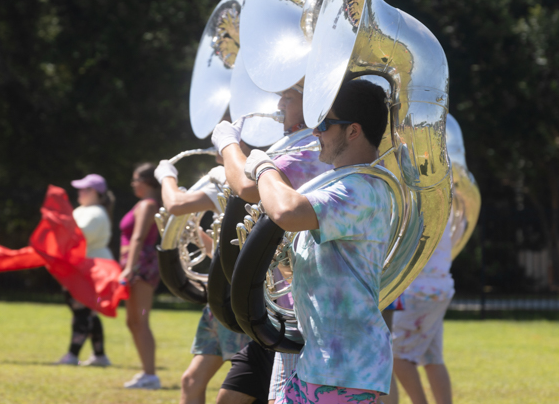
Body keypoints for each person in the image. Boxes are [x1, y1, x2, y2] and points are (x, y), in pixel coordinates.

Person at [223, 79, 392, 403]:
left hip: (346, 369)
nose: (316, 133)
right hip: (321, 359)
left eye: (325, 124)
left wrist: (263, 166)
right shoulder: (340, 183)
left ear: (353, 131)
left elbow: (285, 210)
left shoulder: (362, 188)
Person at [213, 83, 332, 404]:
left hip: (301, 311)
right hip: (282, 309)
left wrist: (228, 145)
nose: (279, 102)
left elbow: (247, 187)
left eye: (289, 96)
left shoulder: (309, 149)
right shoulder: (299, 145)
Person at [154, 159, 251, 404]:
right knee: (190, 381)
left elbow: (175, 204)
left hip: (238, 303)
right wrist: (191, 232)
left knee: (241, 394)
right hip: (218, 301)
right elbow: (224, 255)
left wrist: (166, 175)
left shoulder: (230, 179)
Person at [384, 218, 455, 404]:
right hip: (439, 286)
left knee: (397, 357)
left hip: (417, 291)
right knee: (432, 358)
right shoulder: (444, 200)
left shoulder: (416, 198)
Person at [54, 173, 115, 367]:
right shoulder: (83, 210)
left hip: (92, 269)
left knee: (82, 311)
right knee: (87, 313)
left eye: (84, 189)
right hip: (80, 268)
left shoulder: (96, 213)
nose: (79, 192)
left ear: (95, 192)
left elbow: (78, 236)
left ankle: (72, 355)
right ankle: (100, 356)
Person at [120, 163, 162, 389]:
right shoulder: (144, 203)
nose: (133, 184)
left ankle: (151, 375)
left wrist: (130, 267)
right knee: (132, 321)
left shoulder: (148, 204)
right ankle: (147, 373)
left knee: (140, 320)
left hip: (141, 266)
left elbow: (138, 238)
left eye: (135, 179)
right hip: (135, 265)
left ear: (146, 181)